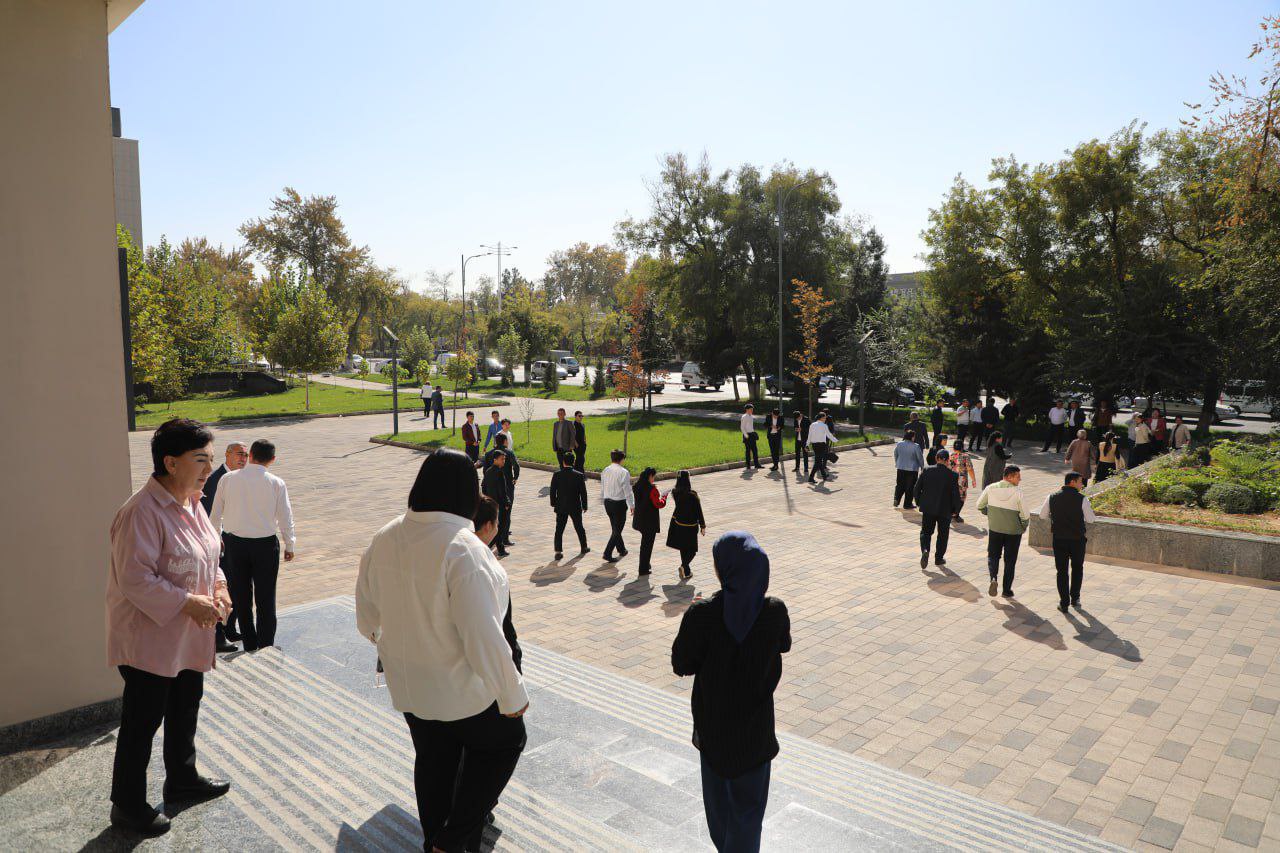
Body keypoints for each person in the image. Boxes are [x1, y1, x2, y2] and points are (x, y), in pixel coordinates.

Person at [356, 449, 529, 853]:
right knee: (505, 741)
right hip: (460, 691)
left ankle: (436, 838)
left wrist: (400, 640)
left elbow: (366, 618)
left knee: (434, 761)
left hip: (410, 687)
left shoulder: (385, 535)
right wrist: (512, 694)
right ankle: (451, 841)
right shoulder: (464, 549)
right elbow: (483, 634)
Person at [107, 418, 232, 836]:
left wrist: (219, 587)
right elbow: (134, 578)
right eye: (201, 460)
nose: (209, 468)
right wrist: (188, 602)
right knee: (142, 722)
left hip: (188, 634)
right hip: (150, 639)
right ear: (170, 462)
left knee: (185, 707)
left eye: (212, 459)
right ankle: (127, 806)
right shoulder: (140, 512)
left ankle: (182, 779)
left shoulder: (192, 502)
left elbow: (209, 555)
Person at [672, 532, 790, 853]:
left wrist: (693, 621)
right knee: (748, 817)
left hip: (714, 735)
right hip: (755, 736)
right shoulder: (774, 612)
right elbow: (784, 644)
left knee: (720, 817)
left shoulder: (703, 616)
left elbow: (681, 663)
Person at [209, 438, 295, 652]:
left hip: (235, 544)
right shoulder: (276, 482)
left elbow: (215, 514)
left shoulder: (227, 479)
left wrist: (215, 538)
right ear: (272, 459)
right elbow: (285, 516)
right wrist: (290, 544)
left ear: (251, 455)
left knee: (241, 595)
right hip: (265, 545)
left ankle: (249, 642)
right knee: (266, 596)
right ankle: (266, 643)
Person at [201, 441, 247, 653]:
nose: (243, 459)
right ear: (227, 454)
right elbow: (211, 513)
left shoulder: (241, 478)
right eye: (239, 454)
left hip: (235, 540)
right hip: (220, 543)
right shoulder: (215, 479)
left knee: (236, 586)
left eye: (246, 455)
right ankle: (218, 635)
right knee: (222, 587)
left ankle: (229, 628)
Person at [1038, 472, 1096, 612]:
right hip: (1077, 540)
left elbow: (1042, 515)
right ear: (1072, 482)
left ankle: (1064, 603)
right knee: (1077, 568)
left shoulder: (1051, 497)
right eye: (1080, 482)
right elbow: (1091, 519)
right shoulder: (1082, 499)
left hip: (1059, 539)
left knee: (1062, 571)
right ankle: (1075, 598)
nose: (1082, 484)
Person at [976, 464, 1030, 599]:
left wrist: (990, 514)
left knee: (993, 555)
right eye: (1018, 477)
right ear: (1010, 477)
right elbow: (1025, 515)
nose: (1020, 480)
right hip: (1013, 532)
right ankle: (1007, 590)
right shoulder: (1018, 493)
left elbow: (979, 505)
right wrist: (1023, 526)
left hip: (995, 529)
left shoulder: (990, 488)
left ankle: (993, 578)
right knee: (1010, 561)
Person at [913, 448, 961, 569]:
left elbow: (917, 488)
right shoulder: (953, 475)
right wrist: (956, 511)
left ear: (936, 459)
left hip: (928, 508)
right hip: (945, 510)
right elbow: (956, 494)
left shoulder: (926, 470)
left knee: (926, 532)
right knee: (943, 534)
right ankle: (939, 558)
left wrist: (919, 502)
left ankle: (925, 550)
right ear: (947, 461)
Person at [480, 435, 519, 555]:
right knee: (503, 520)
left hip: (491, 495)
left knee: (494, 520)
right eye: (502, 459)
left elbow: (485, 480)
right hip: (504, 494)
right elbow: (516, 466)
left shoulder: (488, 461)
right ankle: (501, 541)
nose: (504, 461)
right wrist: (514, 478)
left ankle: (496, 544)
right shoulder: (508, 455)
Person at [666, 471, 706, 580]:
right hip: (691, 526)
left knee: (683, 548)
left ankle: (687, 572)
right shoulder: (692, 495)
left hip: (679, 524)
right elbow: (699, 511)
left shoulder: (675, 492)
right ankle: (683, 566)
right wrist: (703, 525)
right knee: (692, 550)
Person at [549, 452, 589, 560]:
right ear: (574, 462)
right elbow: (583, 492)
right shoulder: (579, 475)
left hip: (561, 506)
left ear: (563, 462)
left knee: (559, 529)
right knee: (579, 527)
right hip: (575, 506)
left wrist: (553, 502)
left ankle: (558, 551)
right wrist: (584, 505)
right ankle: (584, 546)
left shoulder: (557, 474)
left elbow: (552, 491)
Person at [631, 467, 666, 576]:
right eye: (653, 477)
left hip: (639, 520)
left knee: (644, 544)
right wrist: (664, 497)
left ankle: (645, 564)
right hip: (649, 522)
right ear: (650, 476)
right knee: (647, 546)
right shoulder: (652, 489)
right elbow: (659, 504)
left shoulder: (637, 486)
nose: (653, 479)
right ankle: (643, 568)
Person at [601, 449, 634, 562]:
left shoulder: (605, 470)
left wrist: (603, 499)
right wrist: (632, 505)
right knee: (617, 529)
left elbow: (603, 486)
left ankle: (621, 549)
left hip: (607, 502)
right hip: (619, 504)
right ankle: (607, 553)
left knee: (615, 528)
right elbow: (627, 491)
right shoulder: (624, 472)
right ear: (622, 459)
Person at [480, 451, 512, 558]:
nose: (504, 461)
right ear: (495, 460)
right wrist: (507, 502)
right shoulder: (499, 472)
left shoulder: (488, 471)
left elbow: (483, 486)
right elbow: (502, 491)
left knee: (496, 526)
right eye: (502, 459)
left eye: (504, 459)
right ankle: (498, 549)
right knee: (500, 527)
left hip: (491, 503)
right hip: (500, 504)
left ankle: (496, 547)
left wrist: (486, 498)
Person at [945, 438, 976, 523]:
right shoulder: (966, 456)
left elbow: (948, 468)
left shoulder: (951, 456)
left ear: (954, 447)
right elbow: (970, 469)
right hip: (962, 480)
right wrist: (973, 480)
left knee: (952, 496)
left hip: (952, 480)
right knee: (961, 497)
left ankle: (951, 513)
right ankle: (956, 514)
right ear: (962, 447)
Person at [893, 434, 925, 510]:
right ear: (912, 437)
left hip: (900, 468)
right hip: (912, 469)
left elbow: (895, 453)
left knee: (899, 484)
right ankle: (907, 504)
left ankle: (896, 499)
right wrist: (922, 467)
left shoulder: (899, 444)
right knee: (910, 487)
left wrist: (897, 462)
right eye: (914, 436)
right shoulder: (916, 446)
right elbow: (920, 458)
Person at [806, 412, 834, 484]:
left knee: (819, 461)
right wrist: (836, 440)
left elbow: (809, 436)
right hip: (822, 446)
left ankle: (824, 476)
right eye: (824, 418)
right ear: (821, 418)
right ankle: (811, 477)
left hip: (814, 445)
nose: (825, 419)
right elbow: (829, 435)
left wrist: (807, 445)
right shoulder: (824, 426)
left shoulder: (812, 424)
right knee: (817, 462)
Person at [740, 404, 761, 469]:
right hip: (747, 435)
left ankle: (756, 464)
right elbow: (742, 427)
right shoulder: (744, 417)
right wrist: (746, 435)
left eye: (752, 409)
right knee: (748, 451)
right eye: (751, 409)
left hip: (752, 434)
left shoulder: (751, 416)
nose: (752, 410)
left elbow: (750, 426)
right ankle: (748, 465)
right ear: (747, 409)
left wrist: (754, 433)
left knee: (755, 450)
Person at [792, 410, 811, 475]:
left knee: (805, 453)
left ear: (800, 415)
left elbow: (810, 428)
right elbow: (794, 426)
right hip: (797, 439)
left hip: (805, 440)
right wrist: (796, 429)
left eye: (798, 418)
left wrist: (802, 429)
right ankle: (797, 467)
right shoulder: (795, 419)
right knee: (797, 453)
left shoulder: (806, 419)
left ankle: (806, 468)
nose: (797, 419)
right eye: (796, 419)